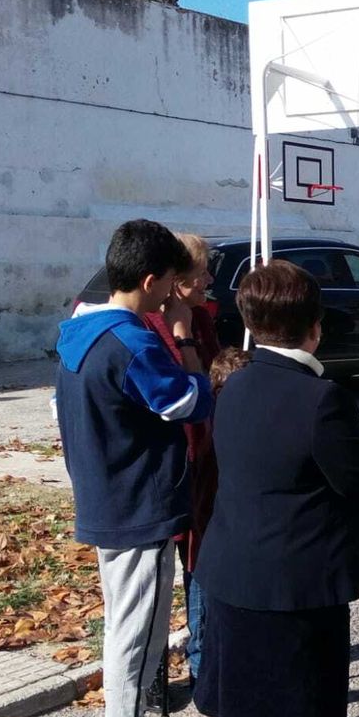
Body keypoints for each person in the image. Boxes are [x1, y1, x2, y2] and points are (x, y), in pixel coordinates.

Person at [190, 261, 359, 717]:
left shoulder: (231, 383)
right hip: (299, 586)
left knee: (223, 705)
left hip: (231, 571)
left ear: (250, 323)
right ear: (316, 326)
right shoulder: (322, 399)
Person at [53, 219, 209, 717]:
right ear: (150, 281)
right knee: (136, 630)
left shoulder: (80, 332)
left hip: (107, 495)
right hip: (138, 503)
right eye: (170, 281)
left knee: (128, 622)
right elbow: (188, 402)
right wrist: (186, 342)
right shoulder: (134, 342)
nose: (173, 291)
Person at [139, 232, 222, 685]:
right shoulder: (146, 328)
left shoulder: (201, 317)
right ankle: (152, 679)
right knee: (154, 577)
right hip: (166, 468)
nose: (208, 280)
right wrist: (183, 337)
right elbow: (186, 395)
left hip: (204, 462)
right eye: (199, 275)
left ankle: (202, 665)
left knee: (200, 564)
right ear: (174, 282)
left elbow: (214, 378)